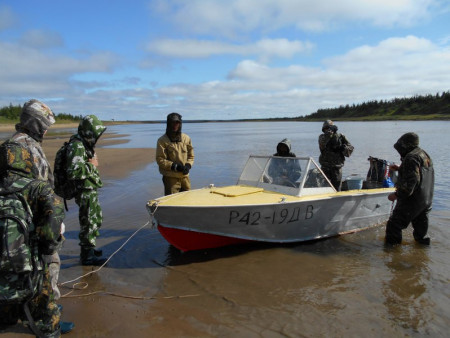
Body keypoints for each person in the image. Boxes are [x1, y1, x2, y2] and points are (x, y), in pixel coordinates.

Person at [0, 141, 73, 337]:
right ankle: (48, 328)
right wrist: (48, 247)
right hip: (30, 264)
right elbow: (52, 224)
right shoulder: (37, 188)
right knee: (43, 296)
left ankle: (7, 318)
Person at [2, 100, 63, 300]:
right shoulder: (28, 148)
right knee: (48, 264)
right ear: (35, 124)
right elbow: (38, 188)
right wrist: (51, 226)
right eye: (44, 127)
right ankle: (48, 312)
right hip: (31, 219)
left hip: (15, 219)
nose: (46, 131)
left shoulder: (11, 144)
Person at [64, 115, 107, 265]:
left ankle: (90, 249)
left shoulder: (83, 144)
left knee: (95, 219)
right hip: (84, 191)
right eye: (95, 133)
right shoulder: (77, 146)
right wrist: (92, 165)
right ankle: (87, 256)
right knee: (88, 221)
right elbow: (73, 171)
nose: (96, 137)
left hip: (89, 189)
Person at [385, 132, 434, 245]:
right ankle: (422, 255)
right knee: (421, 233)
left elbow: (412, 182)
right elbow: (421, 173)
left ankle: (392, 253)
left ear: (406, 146)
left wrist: (396, 195)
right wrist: (401, 168)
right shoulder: (424, 154)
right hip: (426, 200)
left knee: (394, 224)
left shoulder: (411, 157)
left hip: (413, 200)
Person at [156, 113, 194, 195]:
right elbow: (160, 159)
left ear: (180, 123)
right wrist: (174, 166)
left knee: (188, 199)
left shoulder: (186, 138)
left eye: (177, 122)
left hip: (185, 177)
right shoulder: (162, 140)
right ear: (168, 123)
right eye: (172, 122)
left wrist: (188, 165)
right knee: (172, 202)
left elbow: (191, 156)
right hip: (170, 179)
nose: (175, 125)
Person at [318, 120, 353, 191]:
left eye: (329, 128)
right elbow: (322, 145)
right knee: (323, 188)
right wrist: (328, 136)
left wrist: (343, 148)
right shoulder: (322, 137)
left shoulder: (340, 137)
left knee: (336, 189)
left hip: (337, 167)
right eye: (326, 128)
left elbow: (350, 148)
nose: (327, 130)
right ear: (323, 129)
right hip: (325, 167)